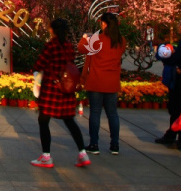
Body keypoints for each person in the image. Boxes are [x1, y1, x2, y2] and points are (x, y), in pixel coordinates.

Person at [31, 18, 89, 169]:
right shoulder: (69, 46)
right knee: (70, 121)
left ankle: (46, 156)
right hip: (66, 90)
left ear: (52, 30)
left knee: (43, 121)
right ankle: (82, 153)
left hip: (51, 89)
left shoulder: (51, 46)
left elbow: (39, 64)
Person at [78, 12, 126, 155]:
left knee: (95, 113)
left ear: (104, 24)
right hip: (112, 82)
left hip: (97, 81)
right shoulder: (121, 41)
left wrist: (84, 39)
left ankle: (94, 144)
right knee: (112, 114)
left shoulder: (97, 40)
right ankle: (115, 144)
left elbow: (82, 48)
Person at [155, 15, 181, 150]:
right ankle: (172, 134)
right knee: (175, 108)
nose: (178, 25)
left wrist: (165, 58)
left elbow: (177, 59)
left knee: (177, 109)